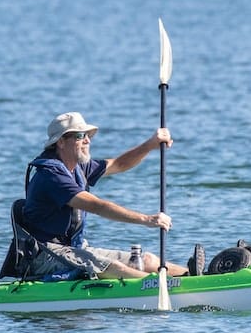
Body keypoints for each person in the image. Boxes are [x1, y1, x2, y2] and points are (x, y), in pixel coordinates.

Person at [21, 112, 199, 280]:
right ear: (60, 142)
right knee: (114, 268)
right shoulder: (51, 175)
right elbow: (97, 206)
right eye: (80, 136)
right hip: (45, 256)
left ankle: (198, 276)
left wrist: (150, 145)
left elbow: (119, 164)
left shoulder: (79, 167)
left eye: (88, 135)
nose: (87, 140)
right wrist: (147, 219)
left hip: (74, 249)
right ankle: (168, 286)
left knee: (148, 261)